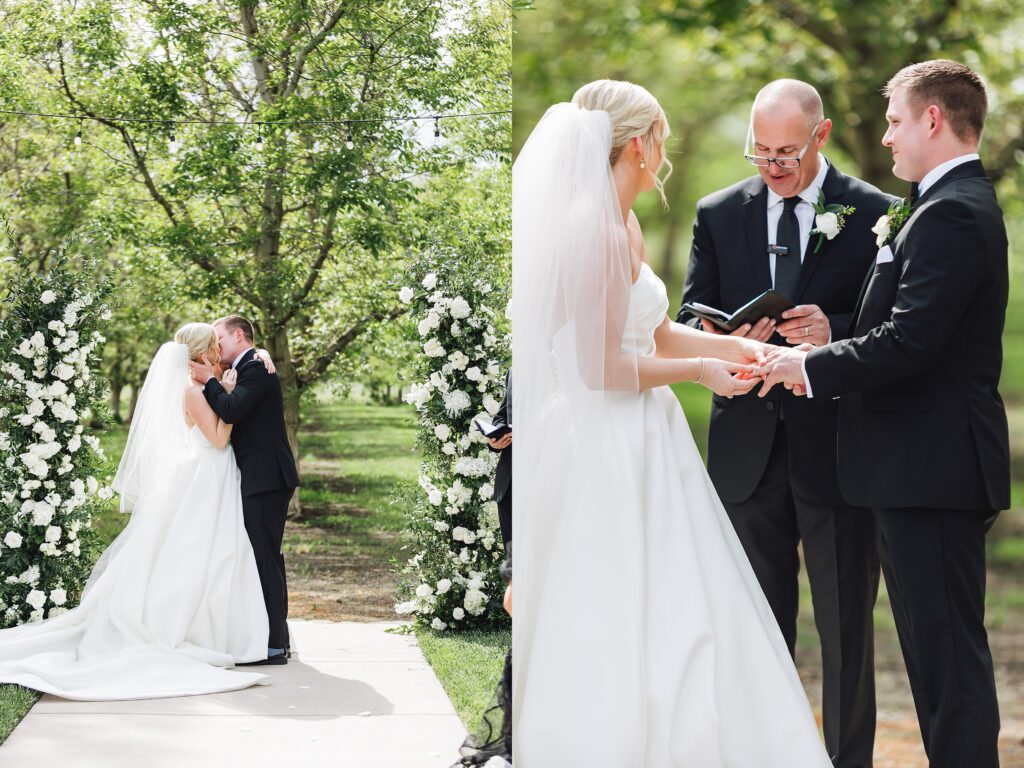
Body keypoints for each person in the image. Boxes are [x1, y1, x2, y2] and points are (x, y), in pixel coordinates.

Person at [512, 79, 832, 766]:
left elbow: (654, 333)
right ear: (638, 145)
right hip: (603, 442)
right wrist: (700, 375)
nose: (666, 151)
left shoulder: (624, 222)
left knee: (680, 601)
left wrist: (747, 350)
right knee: (616, 600)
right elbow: (600, 369)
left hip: (648, 434)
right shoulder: (591, 231)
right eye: (662, 139)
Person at [760, 60, 1008, 768]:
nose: (889, 136)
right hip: (914, 473)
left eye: (897, 120)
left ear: (933, 118)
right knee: (937, 667)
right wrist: (835, 338)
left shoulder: (954, 211)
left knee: (950, 672)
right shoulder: (935, 204)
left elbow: (914, 341)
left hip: (930, 473)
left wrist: (806, 367)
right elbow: (913, 328)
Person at [677, 79, 893, 768]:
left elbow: (900, 328)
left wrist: (836, 329)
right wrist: (726, 331)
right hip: (747, 448)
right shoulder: (717, 213)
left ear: (822, 136)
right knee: (754, 631)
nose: (772, 168)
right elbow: (688, 316)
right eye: (759, 153)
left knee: (845, 632)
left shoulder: (878, 213)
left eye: (786, 154)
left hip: (838, 449)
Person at [0, 324, 271, 699]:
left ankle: (227, 631)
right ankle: (194, 628)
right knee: (206, 553)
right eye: (213, 343)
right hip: (207, 474)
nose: (218, 348)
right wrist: (224, 392)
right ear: (202, 349)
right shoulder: (193, 390)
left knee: (221, 553)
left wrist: (234, 380)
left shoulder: (197, 384)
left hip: (213, 475)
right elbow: (220, 438)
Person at [190, 316, 299, 665]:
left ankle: (274, 645)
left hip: (265, 477)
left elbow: (231, 408)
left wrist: (209, 381)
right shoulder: (249, 363)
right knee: (264, 558)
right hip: (257, 475)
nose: (216, 346)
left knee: (265, 558)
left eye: (220, 339)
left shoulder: (253, 365)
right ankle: (274, 639)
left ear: (239, 336)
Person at [486, 370, 512, 547]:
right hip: (510, 480)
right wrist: (494, 439)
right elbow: (503, 415)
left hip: (547, 471)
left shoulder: (562, 363)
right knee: (513, 557)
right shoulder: (514, 371)